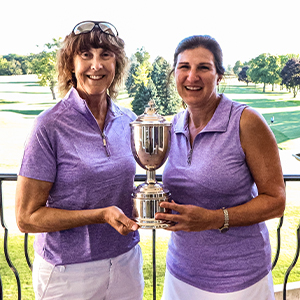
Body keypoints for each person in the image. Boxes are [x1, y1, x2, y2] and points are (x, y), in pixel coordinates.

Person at [15, 21, 144, 300]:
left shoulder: (129, 121)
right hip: (67, 273)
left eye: (105, 55)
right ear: (70, 65)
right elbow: (26, 218)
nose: (96, 65)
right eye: (85, 55)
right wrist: (100, 215)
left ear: (117, 63)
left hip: (126, 263)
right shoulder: (49, 126)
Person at [155, 35, 286, 300]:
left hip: (238, 280)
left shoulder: (246, 122)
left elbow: (276, 201)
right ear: (175, 75)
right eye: (184, 67)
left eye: (203, 67)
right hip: (180, 274)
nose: (192, 76)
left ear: (219, 76)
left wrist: (213, 219)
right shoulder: (174, 125)